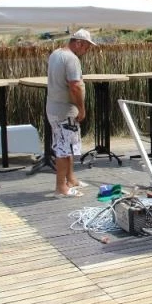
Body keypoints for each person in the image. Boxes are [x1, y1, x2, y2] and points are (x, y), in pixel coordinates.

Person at [46, 28, 95, 197]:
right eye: (87, 46)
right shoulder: (72, 59)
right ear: (79, 43)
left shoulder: (56, 54)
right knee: (64, 149)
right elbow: (75, 86)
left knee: (67, 145)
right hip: (65, 111)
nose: (87, 50)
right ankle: (61, 187)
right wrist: (81, 108)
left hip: (54, 108)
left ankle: (71, 179)